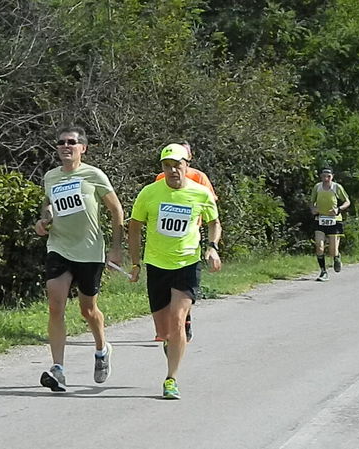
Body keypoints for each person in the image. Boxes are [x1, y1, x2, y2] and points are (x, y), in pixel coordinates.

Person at [128, 143, 222, 399]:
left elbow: (214, 222)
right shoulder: (149, 193)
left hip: (187, 263)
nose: (173, 171)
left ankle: (171, 379)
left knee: (178, 321)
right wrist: (135, 263)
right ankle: (174, 338)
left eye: (177, 166)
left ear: (186, 166)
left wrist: (212, 247)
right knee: (164, 331)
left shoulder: (200, 193)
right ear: (162, 168)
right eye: (167, 166)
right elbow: (134, 227)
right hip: (157, 265)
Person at [35, 125, 124, 392]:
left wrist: (116, 248)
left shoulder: (94, 175)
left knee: (88, 310)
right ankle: (58, 370)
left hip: (89, 251)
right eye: (61, 142)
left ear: (82, 148)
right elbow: (48, 203)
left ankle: (101, 349)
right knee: (55, 305)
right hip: (59, 247)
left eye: (72, 142)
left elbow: (116, 209)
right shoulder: (51, 177)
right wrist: (44, 220)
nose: (65, 146)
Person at [153, 141, 217, 343]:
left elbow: (210, 204)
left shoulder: (199, 177)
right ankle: (172, 329)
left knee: (181, 297)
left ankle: (183, 320)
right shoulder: (161, 178)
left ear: (189, 158)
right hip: (165, 240)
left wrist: (211, 245)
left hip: (190, 233)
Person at [310, 168, 351, 282]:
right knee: (319, 246)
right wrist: (313, 209)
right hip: (320, 219)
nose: (326, 179)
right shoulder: (317, 187)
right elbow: (311, 202)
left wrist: (338, 209)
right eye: (324, 176)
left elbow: (347, 201)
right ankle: (323, 272)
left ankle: (336, 257)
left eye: (328, 176)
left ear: (332, 176)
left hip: (334, 220)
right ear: (321, 176)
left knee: (333, 251)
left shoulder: (337, 187)